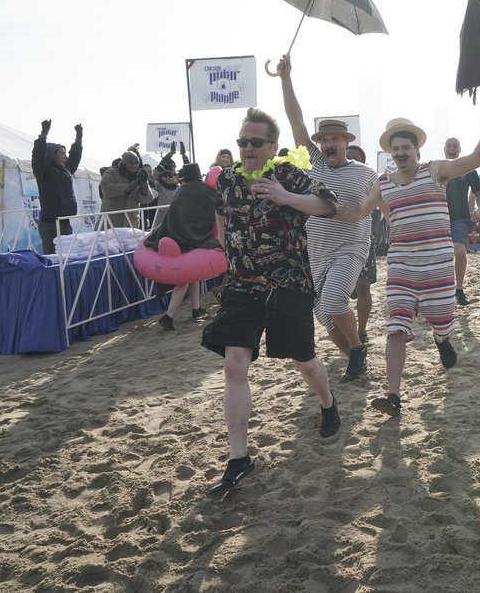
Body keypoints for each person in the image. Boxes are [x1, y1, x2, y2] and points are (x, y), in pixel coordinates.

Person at [200, 107, 341, 495]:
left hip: (288, 283)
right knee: (233, 366)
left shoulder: (288, 174)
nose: (247, 148)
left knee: (303, 361)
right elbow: (221, 216)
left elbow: (329, 205)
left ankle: (328, 401)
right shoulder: (226, 180)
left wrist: (286, 196)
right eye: (242, 141)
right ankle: (238, 458)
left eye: (255, 142)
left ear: (272, 146)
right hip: (243, 286)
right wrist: (225, 248)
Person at [335, 109, 480, 417]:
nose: (400, 153)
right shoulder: (382, 184)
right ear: (389, 151)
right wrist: (322, 205)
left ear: (416, 149)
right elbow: (357, 211)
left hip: (438, 266)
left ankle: (442, 338)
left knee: (441, 320)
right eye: (395, 148)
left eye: (405, 148)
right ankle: (394, 396)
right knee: (396, 329)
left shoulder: (435, 171)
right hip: (401, 267)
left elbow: (478, 157)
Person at [277, 55, 379, 382]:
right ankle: (356, 358)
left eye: (334, 139)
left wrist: (368, 213)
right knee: (326, 319)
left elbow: (380, 203)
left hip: (350, 249)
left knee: (336, 300)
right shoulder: (315, 165)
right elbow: (296, 120)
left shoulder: (366, 173)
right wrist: (285, 78)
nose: (328, 144)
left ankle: (359, 350)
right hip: (315, 254)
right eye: (324, 140)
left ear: (346, 143)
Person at [144, 162, 219, 330]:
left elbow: (172, 217)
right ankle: (169, 316)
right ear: (199, 176)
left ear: (183, 178)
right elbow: (215, 211)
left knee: (193, 275)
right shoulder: (207, 191)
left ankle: (196, 308)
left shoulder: (180, 191)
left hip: (177, 238)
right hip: (196, 239)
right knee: (184, 279)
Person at [31, 120, 83, 254]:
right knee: (52, 259)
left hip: (65, 223)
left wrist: (78, 139)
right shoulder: (44, 170)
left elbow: (74, 158)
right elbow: (37, 157)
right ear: (52, 155)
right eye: (62, 153)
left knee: (67, 257)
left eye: (66, 153)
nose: (66, 156)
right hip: (50, 224)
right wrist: (43, 135)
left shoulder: (65, 171)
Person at [443, 137, 480, 305]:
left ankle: (459, 289)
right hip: (438, 218)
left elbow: (479, 193)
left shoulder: (469, 170)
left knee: (459, 251)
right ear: (444, 149)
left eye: (455, 146)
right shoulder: (436, 168)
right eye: (449, 146)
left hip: (460, 217)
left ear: (460, 149)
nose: (452, 148)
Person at [346, 144, 378, 343]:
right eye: (348, 157)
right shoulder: (331, 179)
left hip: (364, 240)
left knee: (364, 287)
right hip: (337, 242)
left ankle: (362, 331)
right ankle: (346, 328)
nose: (351, 161)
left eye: (355, 158)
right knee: (343, 294)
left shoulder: (370, 181)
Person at [99, 149, 156, 228]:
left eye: (136, 163)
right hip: (110, 222)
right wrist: (129, 187)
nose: (134, 166)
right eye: (130, 163)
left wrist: (144, 186)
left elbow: (147, 200)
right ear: (124, 162)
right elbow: (107, 191)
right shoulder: (111, 173)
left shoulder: (139, 175)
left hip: (131, 224)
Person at [150, 141, 191, 228]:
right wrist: (170, 154)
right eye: (165, 176)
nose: (168, 178)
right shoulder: (158, 185)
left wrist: (184, 155)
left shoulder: (178, 185)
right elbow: (153, 178)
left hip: (175, 218)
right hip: (159, 220)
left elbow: (189, 170)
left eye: (170, 176)